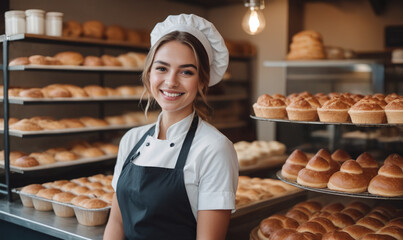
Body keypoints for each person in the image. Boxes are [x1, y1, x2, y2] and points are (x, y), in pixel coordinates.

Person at [103, 14, 239, 240]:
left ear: (203, 81)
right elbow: (116, 224)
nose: (171, 81)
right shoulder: (131, 140)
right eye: (162, 68)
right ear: (149, 74)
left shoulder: (215, 149)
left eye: (186, 71)